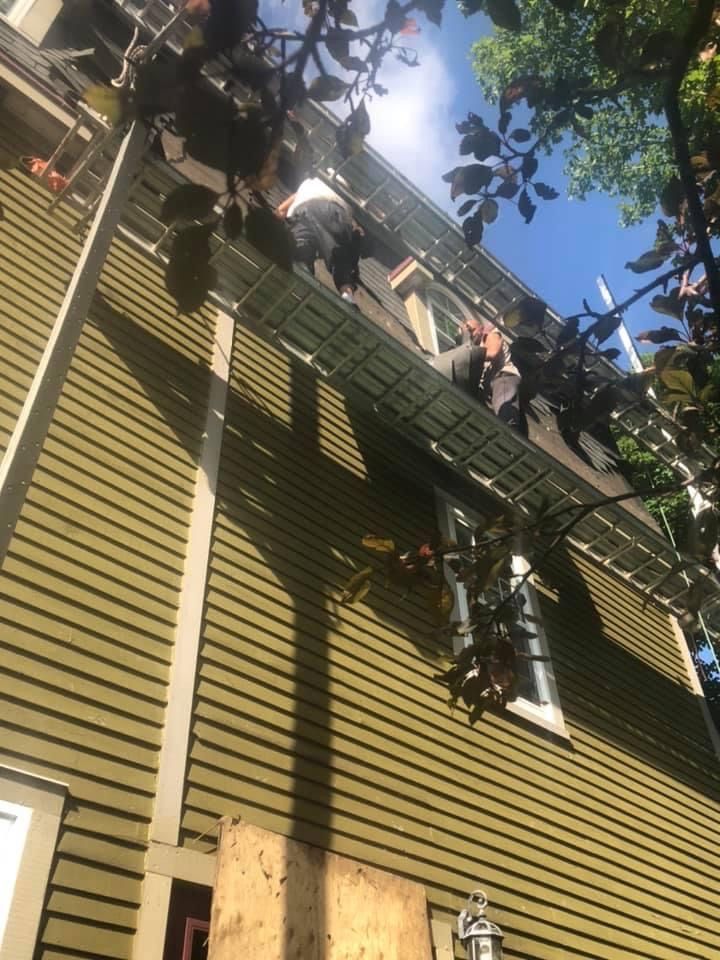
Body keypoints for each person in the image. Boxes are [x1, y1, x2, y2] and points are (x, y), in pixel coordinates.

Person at [275, 177, 363, 305]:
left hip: (307, 208)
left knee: (303, 240)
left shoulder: (310, 183)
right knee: (339, 257)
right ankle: (347, 294)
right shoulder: (346, 196)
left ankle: (302, 268)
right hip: (338, 215)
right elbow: (355, 232)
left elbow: (280, 211)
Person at [433, 316, 527, 436]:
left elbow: (492, 353)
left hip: (503, 375)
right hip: (488, 385)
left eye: (471, 330)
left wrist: (468, 355)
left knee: (503, 401)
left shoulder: (490, 336)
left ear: (481, 329)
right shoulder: (474, 347)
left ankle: (509, 431)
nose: (470, 334)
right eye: (465, 332)